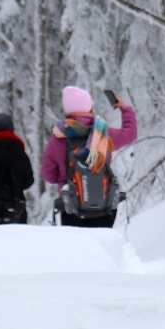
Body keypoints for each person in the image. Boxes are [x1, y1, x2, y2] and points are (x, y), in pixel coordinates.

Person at [41, 86, 138, 228]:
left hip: (72, 207)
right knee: (101, 246)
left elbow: (48, 175)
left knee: (77, 248)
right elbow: (130, 134)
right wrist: (125, 108)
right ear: (89, 107)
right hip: (104, 204)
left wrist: (68, 177)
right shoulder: (102, 133)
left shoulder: (58, 137)